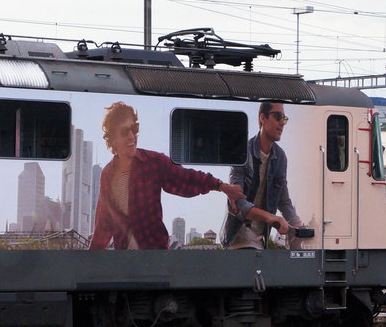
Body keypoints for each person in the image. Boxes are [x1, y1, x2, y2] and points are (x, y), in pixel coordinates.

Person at [90, 102, 244, 250]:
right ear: (113, 138)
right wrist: (85, 264)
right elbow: (104, 224)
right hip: (124, 262)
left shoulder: (153, 162)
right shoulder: (107, 175)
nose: (132, 136)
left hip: (155, 257)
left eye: (134, 129)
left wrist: (220, 186)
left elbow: (185, 178)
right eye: (125, 131)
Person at [222, 100, 302, 249]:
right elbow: (238, 203)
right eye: (277, 116)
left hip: (261, 242)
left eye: (284, 118)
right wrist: (271, 217)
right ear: (262, 118)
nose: (282, 123)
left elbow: (284, 201)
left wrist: (298, 224)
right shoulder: (243, 152)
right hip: (236, 242)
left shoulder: (280, 157)